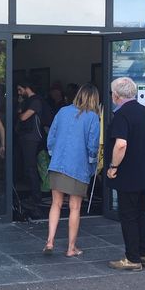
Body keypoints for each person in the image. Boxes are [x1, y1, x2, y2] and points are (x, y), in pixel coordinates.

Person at [106, 77, 145, 271]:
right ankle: (144, 254)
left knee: (127, 215)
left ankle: (132, 258)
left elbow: (121, 144)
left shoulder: (122, 115)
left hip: (128, 174)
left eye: (112, 93)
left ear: (117, 95)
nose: (112, 95)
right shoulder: (143, 111)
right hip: (144, 172)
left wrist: (112, 167)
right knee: (140, 214)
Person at [44, 84, 100, 257]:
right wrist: (93, 163)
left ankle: (50, 241)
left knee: (56, 204)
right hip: (78, 166)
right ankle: (71, 248)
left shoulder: (62, 112)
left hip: (58, 163)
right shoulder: (92, 117)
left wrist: (54, 154)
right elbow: (92, 145)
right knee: (75, 207)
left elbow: (51, 137)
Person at [16, 81, 52, 207]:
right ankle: (34, 194)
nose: (19, 93)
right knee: (29, 166)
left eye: (20, 89)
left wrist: (20, 112)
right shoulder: (29, 101)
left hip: (32, 137)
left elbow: (23, 117)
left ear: (27, 88)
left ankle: (36, 196)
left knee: (31, 167)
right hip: (29, 137)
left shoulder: (35, 101)